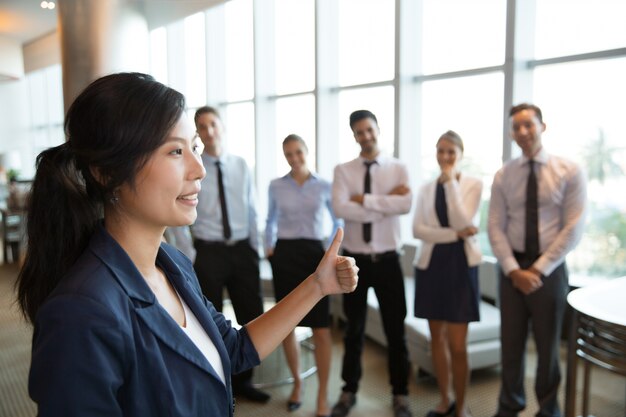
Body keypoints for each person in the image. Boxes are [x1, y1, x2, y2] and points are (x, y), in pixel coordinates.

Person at [15, 72, 359, 417]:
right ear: (107, 172)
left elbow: (234, 348)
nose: (199, 169)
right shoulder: (82, 312)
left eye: (194, 147)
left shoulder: (172, 263)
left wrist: (318, 285)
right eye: (176, 151)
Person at [488, 103, 587, 417]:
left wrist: (538, 269)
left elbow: (574, 227)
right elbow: (494, 225)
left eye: (528, 124)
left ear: (543, 126)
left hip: (551, 271)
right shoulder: (504, 175)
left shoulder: (569, 170)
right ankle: (509, 405)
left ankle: (548, 409)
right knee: (511, 344)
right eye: (516, 127)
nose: (522, 132)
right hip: (511, 269)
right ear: (511, 133)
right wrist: (514, 270)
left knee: (548, 349)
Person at [331, 110, 413, 417]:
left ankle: (401, 394)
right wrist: (383, 201)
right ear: (354, 136)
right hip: (356, 261)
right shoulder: (343, 170)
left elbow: (405, 205)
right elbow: (341, 207)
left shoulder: (398, 168)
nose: (365, 136)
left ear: (378, 129)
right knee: (354, 330)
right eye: (358, 132)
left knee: (396, 331)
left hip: (389, 260)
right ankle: (348, 390)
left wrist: (362, 200)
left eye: (369, 130)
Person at [190, 105, 270, 402]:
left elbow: (252, 207)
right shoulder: (194, 165)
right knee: (209, 319)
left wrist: (255, 248)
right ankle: (218, 381)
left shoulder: (240, 164)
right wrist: (191, 251)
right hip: (208, 252)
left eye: (213, 124)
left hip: (242, 250)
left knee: (251, 312)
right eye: (202, 126)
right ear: (197, 132)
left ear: (222, 126)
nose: (209, 131)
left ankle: (244, 381)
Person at [265, 134, 343, 417]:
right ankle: (297, 383)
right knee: (288, 326)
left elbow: (337, 221)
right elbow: (270, 219)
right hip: (284, 256)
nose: (294, 158)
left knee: (321, 328)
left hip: (314, 255)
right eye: (288, 154)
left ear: (307, 152)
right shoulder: (276, 186)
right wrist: (269, 247)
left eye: (298, 152)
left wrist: (332, 253)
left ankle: (323, 397)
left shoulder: (324, 185)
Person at [412, 131, 482, 417]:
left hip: (461, 266)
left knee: (458, 345)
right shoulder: (426, 189)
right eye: (440, 151)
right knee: (436, 340)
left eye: (451, 152)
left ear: (461, 154)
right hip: (431, 266)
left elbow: (464, 219)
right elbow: (418, 231)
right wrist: (455, 234)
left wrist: (452, 182)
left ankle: (462, 406)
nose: (445, 157)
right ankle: (445, 400)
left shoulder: (473, 185)